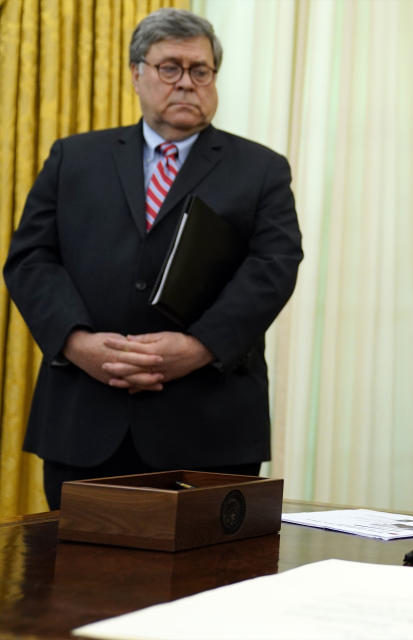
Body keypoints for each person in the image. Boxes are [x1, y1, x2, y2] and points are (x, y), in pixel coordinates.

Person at [3, 8, 302, 509]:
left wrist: (200, 346)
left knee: (211, 584)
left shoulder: (262, 169)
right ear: (136, 73)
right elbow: (30, 258)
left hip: (209, 424)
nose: (186, 83)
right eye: (170, 68)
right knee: (76, 581)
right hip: (85, 418)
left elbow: (274, 268)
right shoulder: (73, 158)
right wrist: (76, 343)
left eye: (200, 70)